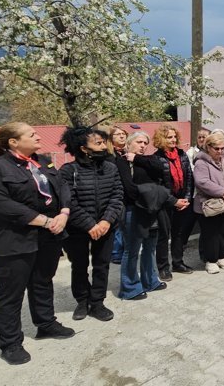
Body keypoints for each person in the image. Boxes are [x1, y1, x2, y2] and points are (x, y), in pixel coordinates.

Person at [0, 122, 74, 365]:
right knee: (11, 293)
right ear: (13, 142)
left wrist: (64, 213)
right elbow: (1, 204)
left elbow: (62, 186)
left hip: (49, 236)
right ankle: (10, 343)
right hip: (14, 240)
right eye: (32, 135)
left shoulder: (43, 161)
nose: (38, 137)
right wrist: (44, 221)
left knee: (42, 281)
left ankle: (45, 324)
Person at [58, 127, 124, 322]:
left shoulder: (110, 168)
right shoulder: (68, 171)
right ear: (84, 149)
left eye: (104, 142)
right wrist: (89, 224)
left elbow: (117, 194)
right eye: (98, 143)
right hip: (78, 228)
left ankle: (97, 303)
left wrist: (106, 221)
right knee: (79, 265)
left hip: (106, 226)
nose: (104, 146)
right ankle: (81, 300)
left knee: (101, 265)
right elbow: (68, 201)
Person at [115, 132, 171, 301]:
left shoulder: (146, 160)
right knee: (131, 250)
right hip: (133, 210)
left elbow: (161, 170)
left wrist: (138, 159)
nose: (143, 145)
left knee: (149, 247)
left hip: (151, 210)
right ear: (129, 143)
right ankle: (130, 288)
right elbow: (130, 189)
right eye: (139, 142)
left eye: (145, 143)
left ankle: (150, 281)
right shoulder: (122, 162)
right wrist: (154, 193)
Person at [194, 131, 224, 274]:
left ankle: (222, 256)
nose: (220, 151)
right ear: (208, 147)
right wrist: (222, 192)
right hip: (210, 204)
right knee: (211, 233)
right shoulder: (201, 162)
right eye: (216, 148)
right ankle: (211, 260)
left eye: (222, 148)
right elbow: (202, 182)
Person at [153, 124, 193, 280]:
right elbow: (158, 186)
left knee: (179, 233)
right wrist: (173, 201)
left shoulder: (182, 155)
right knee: (164, 236)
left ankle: (178, 262)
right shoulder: (156, 158)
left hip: (182, 200)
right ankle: (163, 267)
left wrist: (187, 199)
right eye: (169, 137)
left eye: (174, 136)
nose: (173, 139)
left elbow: (189, 178)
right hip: (166, 203)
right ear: (161, 139)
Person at [108, 125, 129, 265]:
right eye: (117, 134)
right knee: (117, 224)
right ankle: (116, 254)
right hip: (115, 194)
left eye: (123, 134)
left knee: (125, 224)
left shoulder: (128, 153)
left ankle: (123, 251)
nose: (121, 136)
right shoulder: (109, 156)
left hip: (127, 193)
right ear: (111, 138)